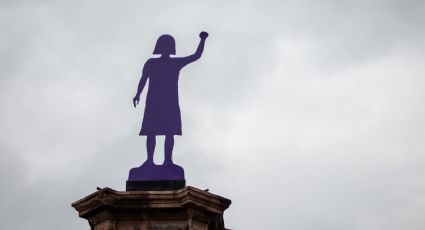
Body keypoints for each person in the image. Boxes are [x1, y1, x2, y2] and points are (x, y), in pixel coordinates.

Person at [133, 31, 209, 166]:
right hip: (154, 101)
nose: (166, 48)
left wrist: (202, 40)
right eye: (164, 45)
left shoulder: (175, 63)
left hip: (169, 102)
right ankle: (149, 161)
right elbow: (143, 79)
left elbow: (196, 56)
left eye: (168, 45)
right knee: (152, 132)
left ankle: (167, 161)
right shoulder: (151, 63)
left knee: (169, 132)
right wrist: (138, 93)